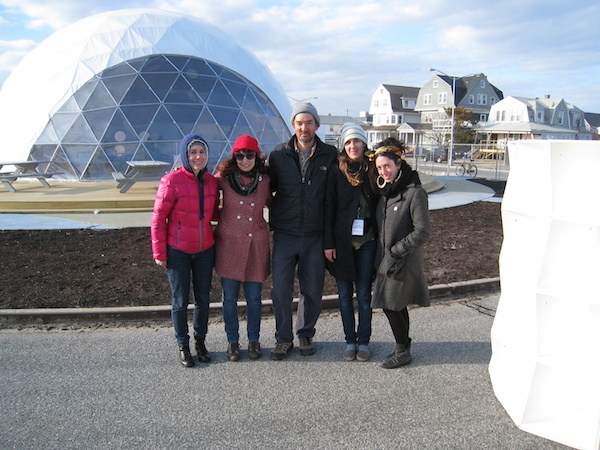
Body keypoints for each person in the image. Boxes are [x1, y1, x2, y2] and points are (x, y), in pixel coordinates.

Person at [266, 101, 338, 360]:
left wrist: (329, 239)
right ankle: (283, 338)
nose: (304, 127)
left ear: (316, 125)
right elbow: (263, 186)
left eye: (309, 122)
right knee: (280, 290)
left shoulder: (330, 155)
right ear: (293, 125)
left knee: (312, 289)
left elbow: (333, 198)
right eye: (299, 122)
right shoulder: (277, 156)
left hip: (315, 235)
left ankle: (305, 333)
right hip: (285, 233)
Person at [151, 133, 219, 368]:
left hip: (205, 249)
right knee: (180, 301)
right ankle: (183, 344)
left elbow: (216, 212)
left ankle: (200, 342)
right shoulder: (171, 181)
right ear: (184, 155)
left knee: (203, 299)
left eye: (202, 152)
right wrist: (159, 252)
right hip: (177, 250)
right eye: (193, 152)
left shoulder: (211, 181)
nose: (197, 157)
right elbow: (158, 219)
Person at [370, 142, 431, 369]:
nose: (383, 171)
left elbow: (423, 231)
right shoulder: (388, 191)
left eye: (387, 166)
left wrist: (396, 251)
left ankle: (402, 351)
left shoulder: (414, 193)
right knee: (394, 304)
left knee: (392, 304)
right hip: (387, 259)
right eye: (379, 168)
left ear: (398, 164)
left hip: (402, 260)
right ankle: (403, 346)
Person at [324, 123, 379, 362]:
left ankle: (364, 340)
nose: (353, 146)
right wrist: (328, 243)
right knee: (345, 295)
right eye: (348, 142)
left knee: (364, 295)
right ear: (343, 146)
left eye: (356, 141)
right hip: (343, 242)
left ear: (364, 143)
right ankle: (350, 340)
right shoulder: (337, 171)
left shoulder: (372, 169)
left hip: (367, 241)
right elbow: (328, 208)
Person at [214, 135, 271, 361]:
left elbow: (280, 201)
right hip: (229, 245)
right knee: (229, 298)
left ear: (256, 156)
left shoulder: (265, 180)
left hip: (256, 244)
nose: (244, 160)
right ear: (234, 156)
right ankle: (232, 342)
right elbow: (200, 184)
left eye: (249, 155)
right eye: (240, 155)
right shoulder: (223, 179)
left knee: (254, 298)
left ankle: (254, 341)